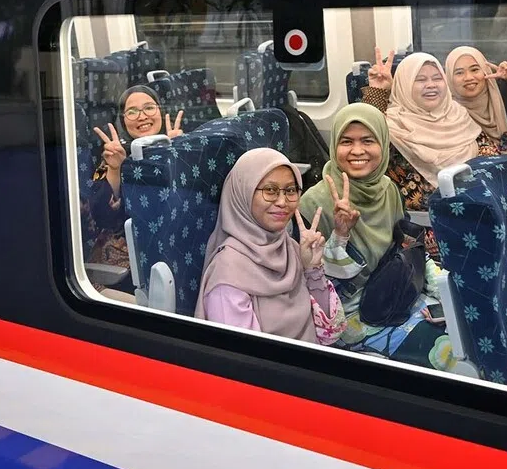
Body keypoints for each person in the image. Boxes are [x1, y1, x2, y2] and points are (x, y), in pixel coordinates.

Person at [298, 105, 457, 368]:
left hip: (399, 290)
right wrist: (340, 235)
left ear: (382, 145)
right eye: (346, 142)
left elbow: (409, 249)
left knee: (465, 330)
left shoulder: (388, 189)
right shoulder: (313, 203)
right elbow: (316, 283)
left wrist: (443, 292)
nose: (357, 151)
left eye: (368, 141)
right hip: (353, 314)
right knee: (449, 356)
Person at [196, 149, 345, 345]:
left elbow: (330, 333)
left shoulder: (291, 248)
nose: (283, 202)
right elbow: (244, 362)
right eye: (270, 190)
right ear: (244, 193)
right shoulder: (228, 275)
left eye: (290, 190)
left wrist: (313, 270)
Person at [362, 48, 495, 211]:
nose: (431, 85)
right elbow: (365, 137)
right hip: (419, 225)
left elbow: (490, 159)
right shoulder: (390, 126)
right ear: (405, 85)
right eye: (420, 79)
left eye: (437, 78)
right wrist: (378, 90)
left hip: (474, 214)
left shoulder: (459, 115)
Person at [86, 85, 185, 291]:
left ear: (160, 111)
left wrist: (178, 153)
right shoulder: (113, 154)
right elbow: (102, 217)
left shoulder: (179, 146)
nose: (142, 117)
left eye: (149, 108)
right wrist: (116, 169)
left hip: (172, 249)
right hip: (123, 263)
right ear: (123, 119)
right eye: (132, 112)